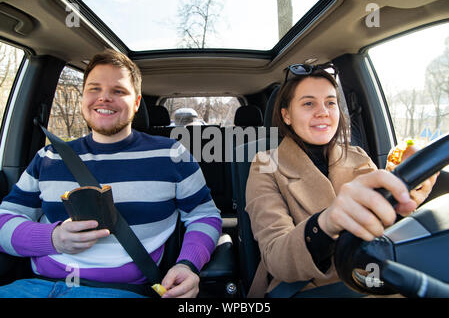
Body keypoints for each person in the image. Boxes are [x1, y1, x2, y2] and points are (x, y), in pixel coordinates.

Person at [0, 49, 222, 298]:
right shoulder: (48, 157)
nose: (103, 98)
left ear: (136, 102)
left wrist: (188, 265)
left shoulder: (171, 154)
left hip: (121, 291)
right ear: (83, 97)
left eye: (118, 91)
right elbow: (5, 219)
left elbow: (204, 216)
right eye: (94, 89)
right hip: (34, 287)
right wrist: (51, 238)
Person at [245, 64, 438, 297]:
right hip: (309, 289)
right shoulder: (265, 165)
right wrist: (326, 223)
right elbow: (276, 257)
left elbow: (385, 231)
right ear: (286, 115)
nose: (323, 112)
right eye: (308, 103)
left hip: (370, 278)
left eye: (330, 102)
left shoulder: (358, 156)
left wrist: (410, 193)